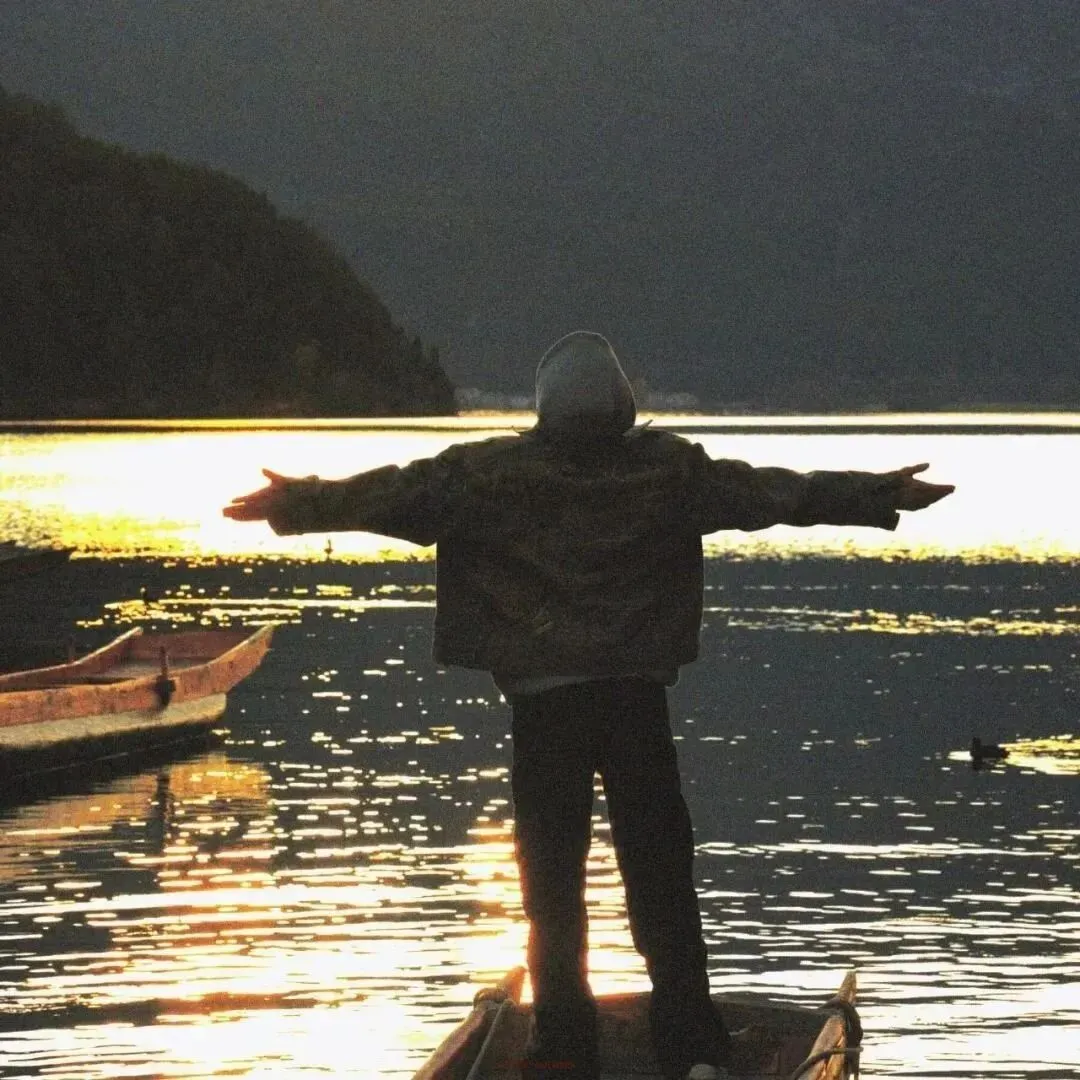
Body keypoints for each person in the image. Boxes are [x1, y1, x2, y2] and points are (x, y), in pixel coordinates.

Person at [223, 330, 954, 1080]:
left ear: (544, 407)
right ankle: (691, 1045)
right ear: (622, 405)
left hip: (545, 713)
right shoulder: (669, 472)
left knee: (550, 885)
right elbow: (777, 492)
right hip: (635, 706)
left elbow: (388, 493)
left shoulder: (485, 475)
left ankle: (562, 1044)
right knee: (660, 878)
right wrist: (878, 493)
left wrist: (297, 501)